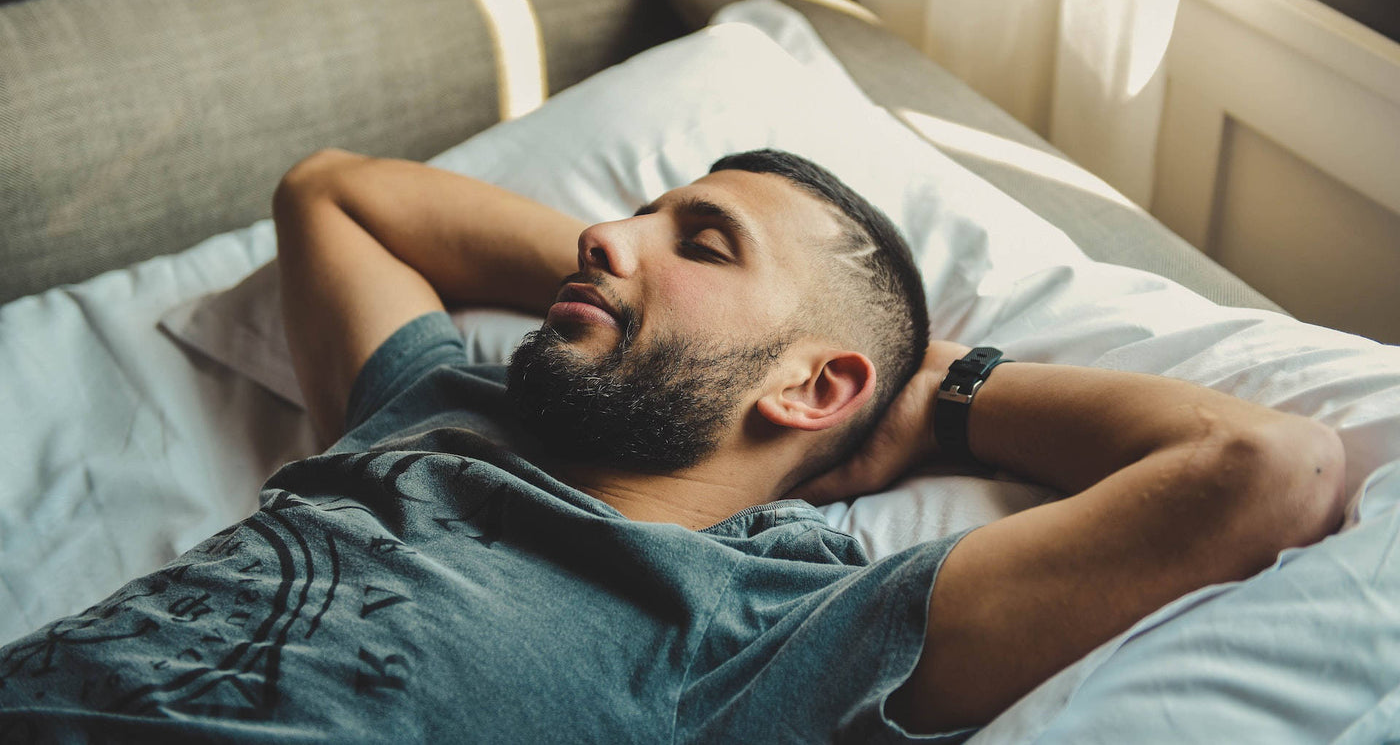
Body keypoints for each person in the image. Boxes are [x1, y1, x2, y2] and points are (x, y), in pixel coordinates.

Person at [0, 148, 1345, 743]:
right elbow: (336, 193)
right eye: (635, 213)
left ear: (819, 386)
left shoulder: (778, 626)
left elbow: (1267, 468)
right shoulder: (441, 411)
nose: (602, 235)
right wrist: (637, 283)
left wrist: (933, 396)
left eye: (702, 240)